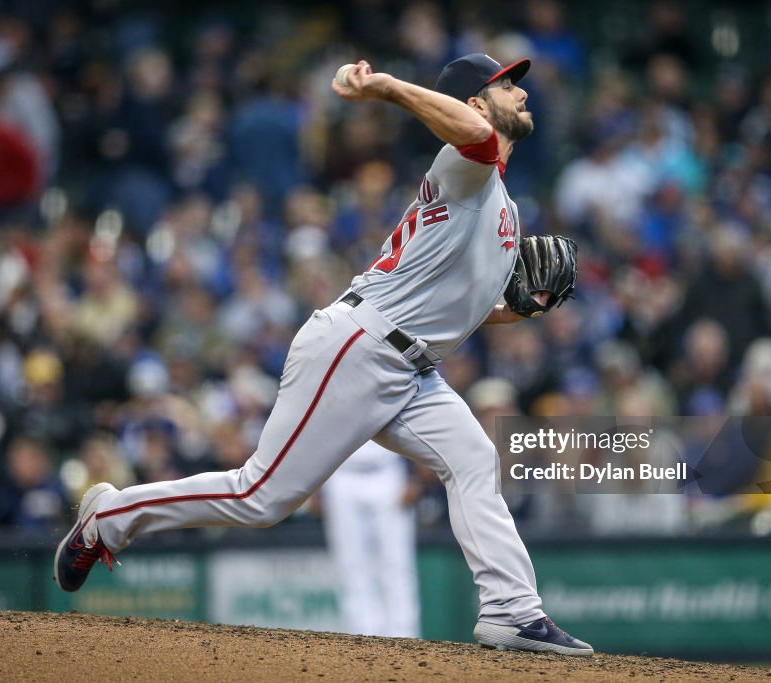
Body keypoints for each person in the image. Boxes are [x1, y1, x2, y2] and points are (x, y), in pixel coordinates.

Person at [54, 53, 593, 656]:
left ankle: (512, 613)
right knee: (258, 498)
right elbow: (474, 135)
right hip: (358, 347)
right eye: (504, 85)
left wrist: (526, 306)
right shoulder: (468, 160)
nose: (521, 91)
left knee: (471, 460)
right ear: (473, 104)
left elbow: (469, 311)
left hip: (411, 369)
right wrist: (387, 87)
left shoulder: (501, 205)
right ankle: (109, 516)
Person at [321, 440, 420, 638]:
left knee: (397, 563)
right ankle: (361, 635)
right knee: (350, 564)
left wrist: (413, 476)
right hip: (341, 474)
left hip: (387, 472)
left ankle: (405, 636)